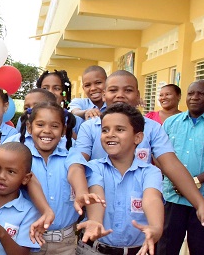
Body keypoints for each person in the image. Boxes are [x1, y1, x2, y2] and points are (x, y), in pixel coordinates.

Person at [75, 70, 204, 224]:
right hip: (99, 215)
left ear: (137, 95)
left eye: (128, 90)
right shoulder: (89, 128)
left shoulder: (153, 128)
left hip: (137, 219)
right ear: (104, 95)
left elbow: (171, 164)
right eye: (113, 90)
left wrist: (199, 203)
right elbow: (77, 163)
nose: (120, 95)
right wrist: (81, 191)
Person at [76, 103, 164, 255]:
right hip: (93, 249)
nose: (110, 134)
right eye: (105, 130)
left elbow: (152, 198)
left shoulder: (151, 172)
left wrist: (156, 227)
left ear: (137, 137)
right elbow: (96, 194)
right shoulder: (94, 167)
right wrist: (96, 221)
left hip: (138, 251)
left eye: (119, 129)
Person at [20, 102, 98, 255]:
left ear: (63, 130)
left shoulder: (69, 151)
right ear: (29, 128)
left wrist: (81, 192)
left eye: (55, 126)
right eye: (40, 125)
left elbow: (75, 169)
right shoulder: (21, 151)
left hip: (65, 242)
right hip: (27, 237)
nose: (47, 131)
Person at [158, 80, 204, 254]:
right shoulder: (171, 123)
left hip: (201, 201)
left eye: (201, 94)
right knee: (166, 248)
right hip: (172, 198)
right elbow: (159, 154)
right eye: (191, 93)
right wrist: (174, 178)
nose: (195, 97)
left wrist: (193, 181)